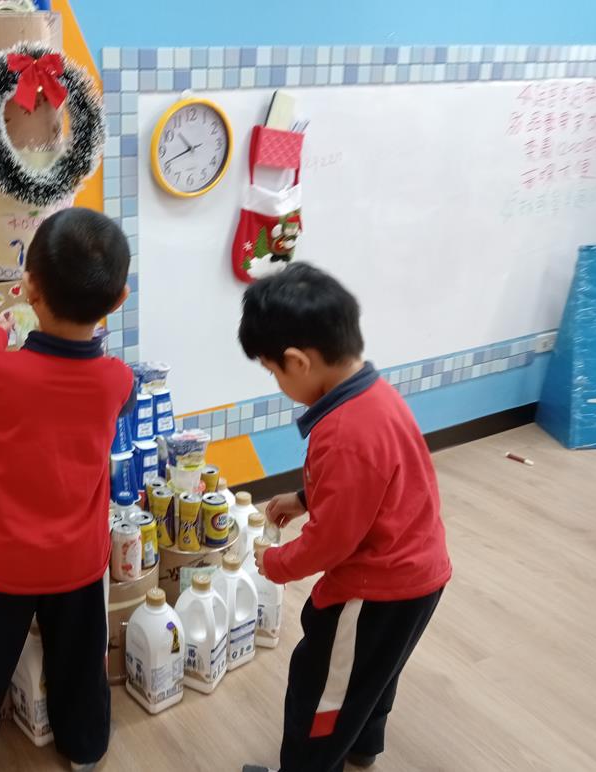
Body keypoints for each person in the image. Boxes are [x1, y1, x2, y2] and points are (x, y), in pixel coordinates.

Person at [0, 208, 133, 772]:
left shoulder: (2, 375)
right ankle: (85, 750)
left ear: (30, 288)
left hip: (1, 563)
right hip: (78, 563)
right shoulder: (117, 381)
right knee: (80, 662)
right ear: (118, 300)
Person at [237, 263, 452, 772]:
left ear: (298, 361)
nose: (277, 381)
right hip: (419, 575)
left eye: (273, 372)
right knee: (372, 675)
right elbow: (372, 488)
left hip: (375, 590)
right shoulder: (373, 394)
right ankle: (362, 747)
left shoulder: (343, 433)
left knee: (321, 693)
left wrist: (276, 562)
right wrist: (304, 498)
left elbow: (331, 542)